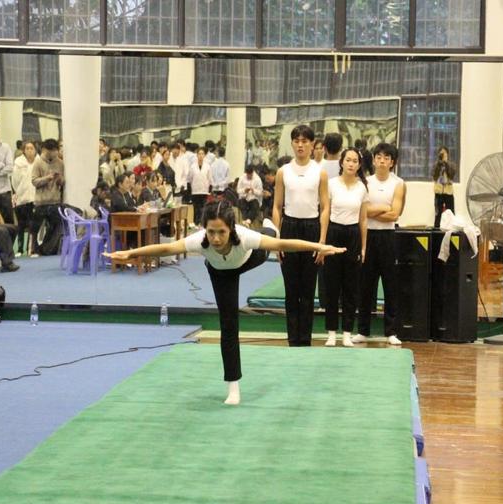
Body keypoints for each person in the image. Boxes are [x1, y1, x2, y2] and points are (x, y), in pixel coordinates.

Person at [104, 200, 345, 405]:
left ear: (232, 229)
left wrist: (319, 246)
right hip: (221, 272)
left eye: (222, 232)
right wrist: (131, 253)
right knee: (228, 324)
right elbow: (166, 248)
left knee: (270, 238)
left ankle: (269, 226)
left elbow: (284, 245)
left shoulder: (245, 237)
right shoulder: (200, 241)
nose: (216, 238)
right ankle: (233, 386)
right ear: (204, 230)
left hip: (250, 258)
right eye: (211, 232)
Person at [272, 125, 330, 347]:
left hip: (311, 229)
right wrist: (277, 241)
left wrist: (322, 241)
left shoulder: (320, 172)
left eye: (305, 141)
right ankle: (292, 339)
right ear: (292, 143)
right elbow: (277, 207)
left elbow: (325, 207)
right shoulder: (283, 171)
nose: (300, 145)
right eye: (296, 140)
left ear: (312, 144)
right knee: (291, 289)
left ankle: (305, 339)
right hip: (289, 228)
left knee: (307, 288)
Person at [353, 143, 406, 346]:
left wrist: (374, 210)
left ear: (392, 162)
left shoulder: (398, 183)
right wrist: (383, 207)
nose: (382, 160)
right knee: (366, 284)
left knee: (391, 284)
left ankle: (391, 331)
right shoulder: (365, 182)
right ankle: (363, 330)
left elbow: (395, 213)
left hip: (388, 237)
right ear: (373, 159)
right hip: (367, 235)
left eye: (386, 157)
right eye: (379, 157)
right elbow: (360, 212)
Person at [322, 148, 369, 348]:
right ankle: (332, 332)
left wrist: (364, 247)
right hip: (333, 233)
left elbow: (363, 220)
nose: (351, 164)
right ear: (341, 162)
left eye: (355, 161)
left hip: (352, 236)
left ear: (359, 165)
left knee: (351, 287)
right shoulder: (331, 184)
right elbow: (324, 212)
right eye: (348, 160)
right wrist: (322, 242)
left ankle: (347, 332)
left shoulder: (362, 188)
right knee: (332, 285)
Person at [30, 138, 64, 257]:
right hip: (41, 202)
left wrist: (60, 180)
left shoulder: (60, 163)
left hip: (55, 201)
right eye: (51, 151)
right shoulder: (38, 162)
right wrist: (47, 178)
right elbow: (34, 181)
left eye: (55, 150)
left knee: (55, 227)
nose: (54, 153)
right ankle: (33, 249)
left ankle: (46, 249)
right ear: (45, 150)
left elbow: (63, 182)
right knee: (35, 228)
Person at [11, 141, 37, 256]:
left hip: (34, 199)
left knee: (33, 225)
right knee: (21, 225)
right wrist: (18, 192)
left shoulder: (38, 162)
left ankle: (31, 249)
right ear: (24, 150)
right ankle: (20, 249)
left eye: (32, 148)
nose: (30, 150)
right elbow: (15, 181)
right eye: (27, 148)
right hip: (21, 198)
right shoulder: (18, 163)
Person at [433, 145, 456, 228]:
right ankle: (436, 230)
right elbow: (434, 175)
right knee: (438, 214)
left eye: (445, 153)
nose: (443, 155)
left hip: (448, 192)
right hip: (439, 192)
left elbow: (452, 175)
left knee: (451, 213)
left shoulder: (451, 165)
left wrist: (446, 163)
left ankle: (452, 230)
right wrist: (439, 164)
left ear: (448, 154)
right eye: (441, 153)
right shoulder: (436, 165)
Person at [188, 147, 212, 227]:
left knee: (203, 209)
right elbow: (190, 178)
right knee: (196, 208)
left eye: (202, 154)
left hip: (204, 191)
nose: (201, 156)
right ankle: (195, 223)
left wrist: (209, 190)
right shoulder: (192, 166)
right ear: (197, 155)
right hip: (195, 191)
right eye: (199, 154)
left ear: (204, 155)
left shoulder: (208, 166)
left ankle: (202, 224)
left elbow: (210, 178)